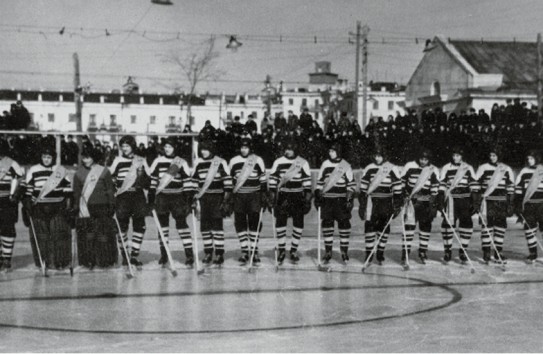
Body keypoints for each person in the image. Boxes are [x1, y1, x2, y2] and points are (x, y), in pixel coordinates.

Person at [24, 145, 73, 270]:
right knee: (42, 236)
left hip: (57, 207)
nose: (46, 159)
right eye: (44, 157)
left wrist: (69, 205)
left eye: (49, 157)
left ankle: (60, 261)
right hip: (39, 208)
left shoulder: (60, 170)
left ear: (53, 158)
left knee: (59, 235)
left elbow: (67, 190)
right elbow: (28, 190)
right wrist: (28, 204)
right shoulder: (33, 170)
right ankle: (43, 261)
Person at [148, 138, 195, 266]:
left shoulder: (181, 162)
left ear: (175, 148)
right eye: (166, 147)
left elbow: (187, 181)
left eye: (170, 146)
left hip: (177, 198)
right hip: (162, 198)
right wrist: (151, 199)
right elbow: (153, 181)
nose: (167, 149)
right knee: (163, 228)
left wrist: (188, 200)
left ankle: (189, 255)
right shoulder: (157, 161)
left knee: (182, 226)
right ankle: (164, 255)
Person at [72, 146, 117, 269]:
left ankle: (104, 259)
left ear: (94, 157)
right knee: (88, 235)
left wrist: (112, 204)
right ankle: (89, 260)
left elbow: (109, 189)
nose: (85, 159)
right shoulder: (79, 173)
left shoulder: (103, 171)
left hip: (102, 206)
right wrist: (75, 206)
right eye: (84, 157)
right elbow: (76, 192)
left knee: (103, 235)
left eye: (88, 157)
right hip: (86, 207)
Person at [268, 140, 312, 264]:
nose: (288, 151)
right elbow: (273, 180)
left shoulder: (303, 163)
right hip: (283, 195)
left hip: (297, 195)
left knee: (298, 224)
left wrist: (308, 200)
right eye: (287, 149)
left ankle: (293, 250)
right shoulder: (278, 162)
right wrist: (271, 196)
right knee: (281, 223)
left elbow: (307, 183)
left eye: (291, 149)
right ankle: (281, 250)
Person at [109, 135, 150, 269]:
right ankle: (125, 255)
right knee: (122, 227)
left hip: (137, 196)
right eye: (123, 146)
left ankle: (134, 256)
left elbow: (148, 181)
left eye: (127, 146)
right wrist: (114, 185)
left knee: (140, 226)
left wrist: (142, 176)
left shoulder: (141, 160)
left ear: (133, 146)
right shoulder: (117, 160)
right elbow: (110, 178)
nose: (125, 149)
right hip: (123, 196)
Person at [359, 147, 403, 265]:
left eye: (379, 156)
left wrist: (397, 203)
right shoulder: (369, 168)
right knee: (370, 227)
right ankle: (369, 253)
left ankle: (380, 252)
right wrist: (362, 204)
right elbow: (363, 187)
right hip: (372, 202)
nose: (377, 158)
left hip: (386, 201)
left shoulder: (391, 168)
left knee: (384, 228)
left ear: (384, 156)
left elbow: (397, 187)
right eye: (375, 156)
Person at [191, 141, 232, 265]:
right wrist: (193, 198)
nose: (203, 152)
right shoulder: (198, 163)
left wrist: (226, 200)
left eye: (206, 149)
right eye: (202, 149)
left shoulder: (220, 162)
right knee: (205, 227)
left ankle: (219, 254)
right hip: (203, 199)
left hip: (217, 198)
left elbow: (227, 182)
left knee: (217, 227)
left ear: (212, 150)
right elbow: (194, 181)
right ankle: (208, 252)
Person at [437, 147, 480, 263]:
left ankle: (463, 250)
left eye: (458, 155)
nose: (455, 158)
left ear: (462, 156)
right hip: (451, 200)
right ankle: (447, 251)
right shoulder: (446, 167)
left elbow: (474, 185)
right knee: (447, 225)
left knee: (467, 224)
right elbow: (442, 185)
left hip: (465, 200)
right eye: (454, 155)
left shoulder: (468, 168)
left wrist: (475, 202)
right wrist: (440, 200)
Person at [314, 142, 355, 263]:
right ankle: (328, 251)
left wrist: (349, 199)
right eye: (329, 151)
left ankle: (344, 251)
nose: (330, 153)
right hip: (328, 199)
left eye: (332, 151)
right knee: (327, 225)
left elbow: (351, 184)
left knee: (344, 225)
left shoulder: (346, 165)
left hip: (341, 199)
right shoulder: (325, 164)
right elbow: (320, 182)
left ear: (338, 152)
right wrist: (318, 193)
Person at [228, 138, 267, 263]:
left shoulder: (258, 160)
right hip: (239, 196)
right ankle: (244, 251)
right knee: (240, 224)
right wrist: (229, 197)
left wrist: (264, 195)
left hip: (254, 196)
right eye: (242, 147)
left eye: (246, 147)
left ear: (250, 148)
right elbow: (230, 180)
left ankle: (254, 251)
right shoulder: (234, 161)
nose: (243, 150)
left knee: (254, 224)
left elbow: (263, 179)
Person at [476, 148, 515, 263]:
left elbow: (511, 187)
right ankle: (486, 252)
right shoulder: (483, 167)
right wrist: (477, 200)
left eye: (494, 155)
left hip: (501, 202)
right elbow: (476, 184)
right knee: (487, 227)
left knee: (500, 227)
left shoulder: (506, 169)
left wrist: (510, 203)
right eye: (491, 155)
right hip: (488, 201)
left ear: (499, 156)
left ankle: (498, 252)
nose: (492, 157)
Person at [401, 149, 440, 264]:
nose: (423, 161)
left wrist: (433, 203)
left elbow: (435, 186)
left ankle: (422, 251)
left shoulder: (433, 169)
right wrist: (403, 193)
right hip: (412, 202)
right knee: (409, 227)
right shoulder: (410, 166)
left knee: (425, 227)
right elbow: (402, 181)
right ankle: (406, 252)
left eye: (426, 159)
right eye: (421, 159)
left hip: (425, 202)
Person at [514, 150, 543, 261]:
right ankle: (533, 253)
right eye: (528, 159)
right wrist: (517, 204)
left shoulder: (542, 170)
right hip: (529, 205)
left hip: (542, 204)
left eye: (531, 158)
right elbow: (518, 189)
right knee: (529, 229)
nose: (529, 161)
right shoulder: (524, 171)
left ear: (537, 158)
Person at [0, 140, 23, 271]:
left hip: (7, 202)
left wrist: (15, 195)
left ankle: (6, 259)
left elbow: (20, 180)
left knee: (7, 229)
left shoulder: (12, 163)